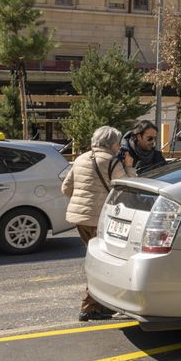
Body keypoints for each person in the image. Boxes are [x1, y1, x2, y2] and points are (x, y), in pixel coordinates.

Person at [61, 125, 136, 321]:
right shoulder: (112, 162)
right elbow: (129, 187)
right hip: (99, 219)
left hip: (80, 218)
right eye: (118, 143)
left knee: (96, 260)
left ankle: (99, 303)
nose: (120, 146)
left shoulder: (80, 159)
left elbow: (66, 188)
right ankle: (89, 307)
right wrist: (128, 165)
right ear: (112, 143)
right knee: (101, 263)